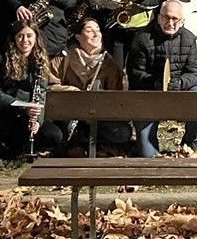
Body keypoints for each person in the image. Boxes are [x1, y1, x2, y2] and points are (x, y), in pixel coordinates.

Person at [127, 0, 197, 155]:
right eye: (166, 17)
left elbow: (195, 74)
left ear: (182, 21)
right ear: (158, 17)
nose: (170, 22)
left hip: (178, 92)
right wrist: (155, 83)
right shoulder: (142, 38)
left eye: (175, 19)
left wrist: (180, 83)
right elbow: (134, 73)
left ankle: (190, 139)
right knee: (148, 156)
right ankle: (148, 144)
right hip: (148, 95)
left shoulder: (188, 38)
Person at [43, 16, 131, 151]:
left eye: (98, 30)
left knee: (122, 133)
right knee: (62, 132)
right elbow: (49, 85)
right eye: (89, 31)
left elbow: (116, 95)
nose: (96, 34)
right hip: (69, 113)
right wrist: (71, 92)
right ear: (78, 36)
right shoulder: (64, 58)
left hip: (98, 115)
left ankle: (88, 142)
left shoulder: (109, 63)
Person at [0, 20, 62, 158]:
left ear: (36, 38)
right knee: (12, 141)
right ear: (14, 38)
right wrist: (23, 106)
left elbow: (42, 94)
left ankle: (24, 146)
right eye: (20, 36)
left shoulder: (41, 59)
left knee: (54, 136)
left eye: (29, 36)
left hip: (28, 113)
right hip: (6, 112)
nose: (24, 40)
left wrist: (37, 120)